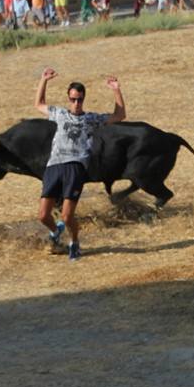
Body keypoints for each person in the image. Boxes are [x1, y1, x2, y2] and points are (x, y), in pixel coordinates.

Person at [33, 67, 126, 261]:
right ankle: (55, 231)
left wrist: (116, 90)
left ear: (84, 99)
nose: (76, 103)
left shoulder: (90, 119)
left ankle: (74, 242)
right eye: (73, 99)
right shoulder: (59, 114)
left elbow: (119, 116)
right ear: (68, 98)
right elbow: (39, 103)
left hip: (75, 168)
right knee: (43, 215)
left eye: (80, 99)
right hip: (54, 166)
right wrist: (44, 80)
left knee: (67, 216)